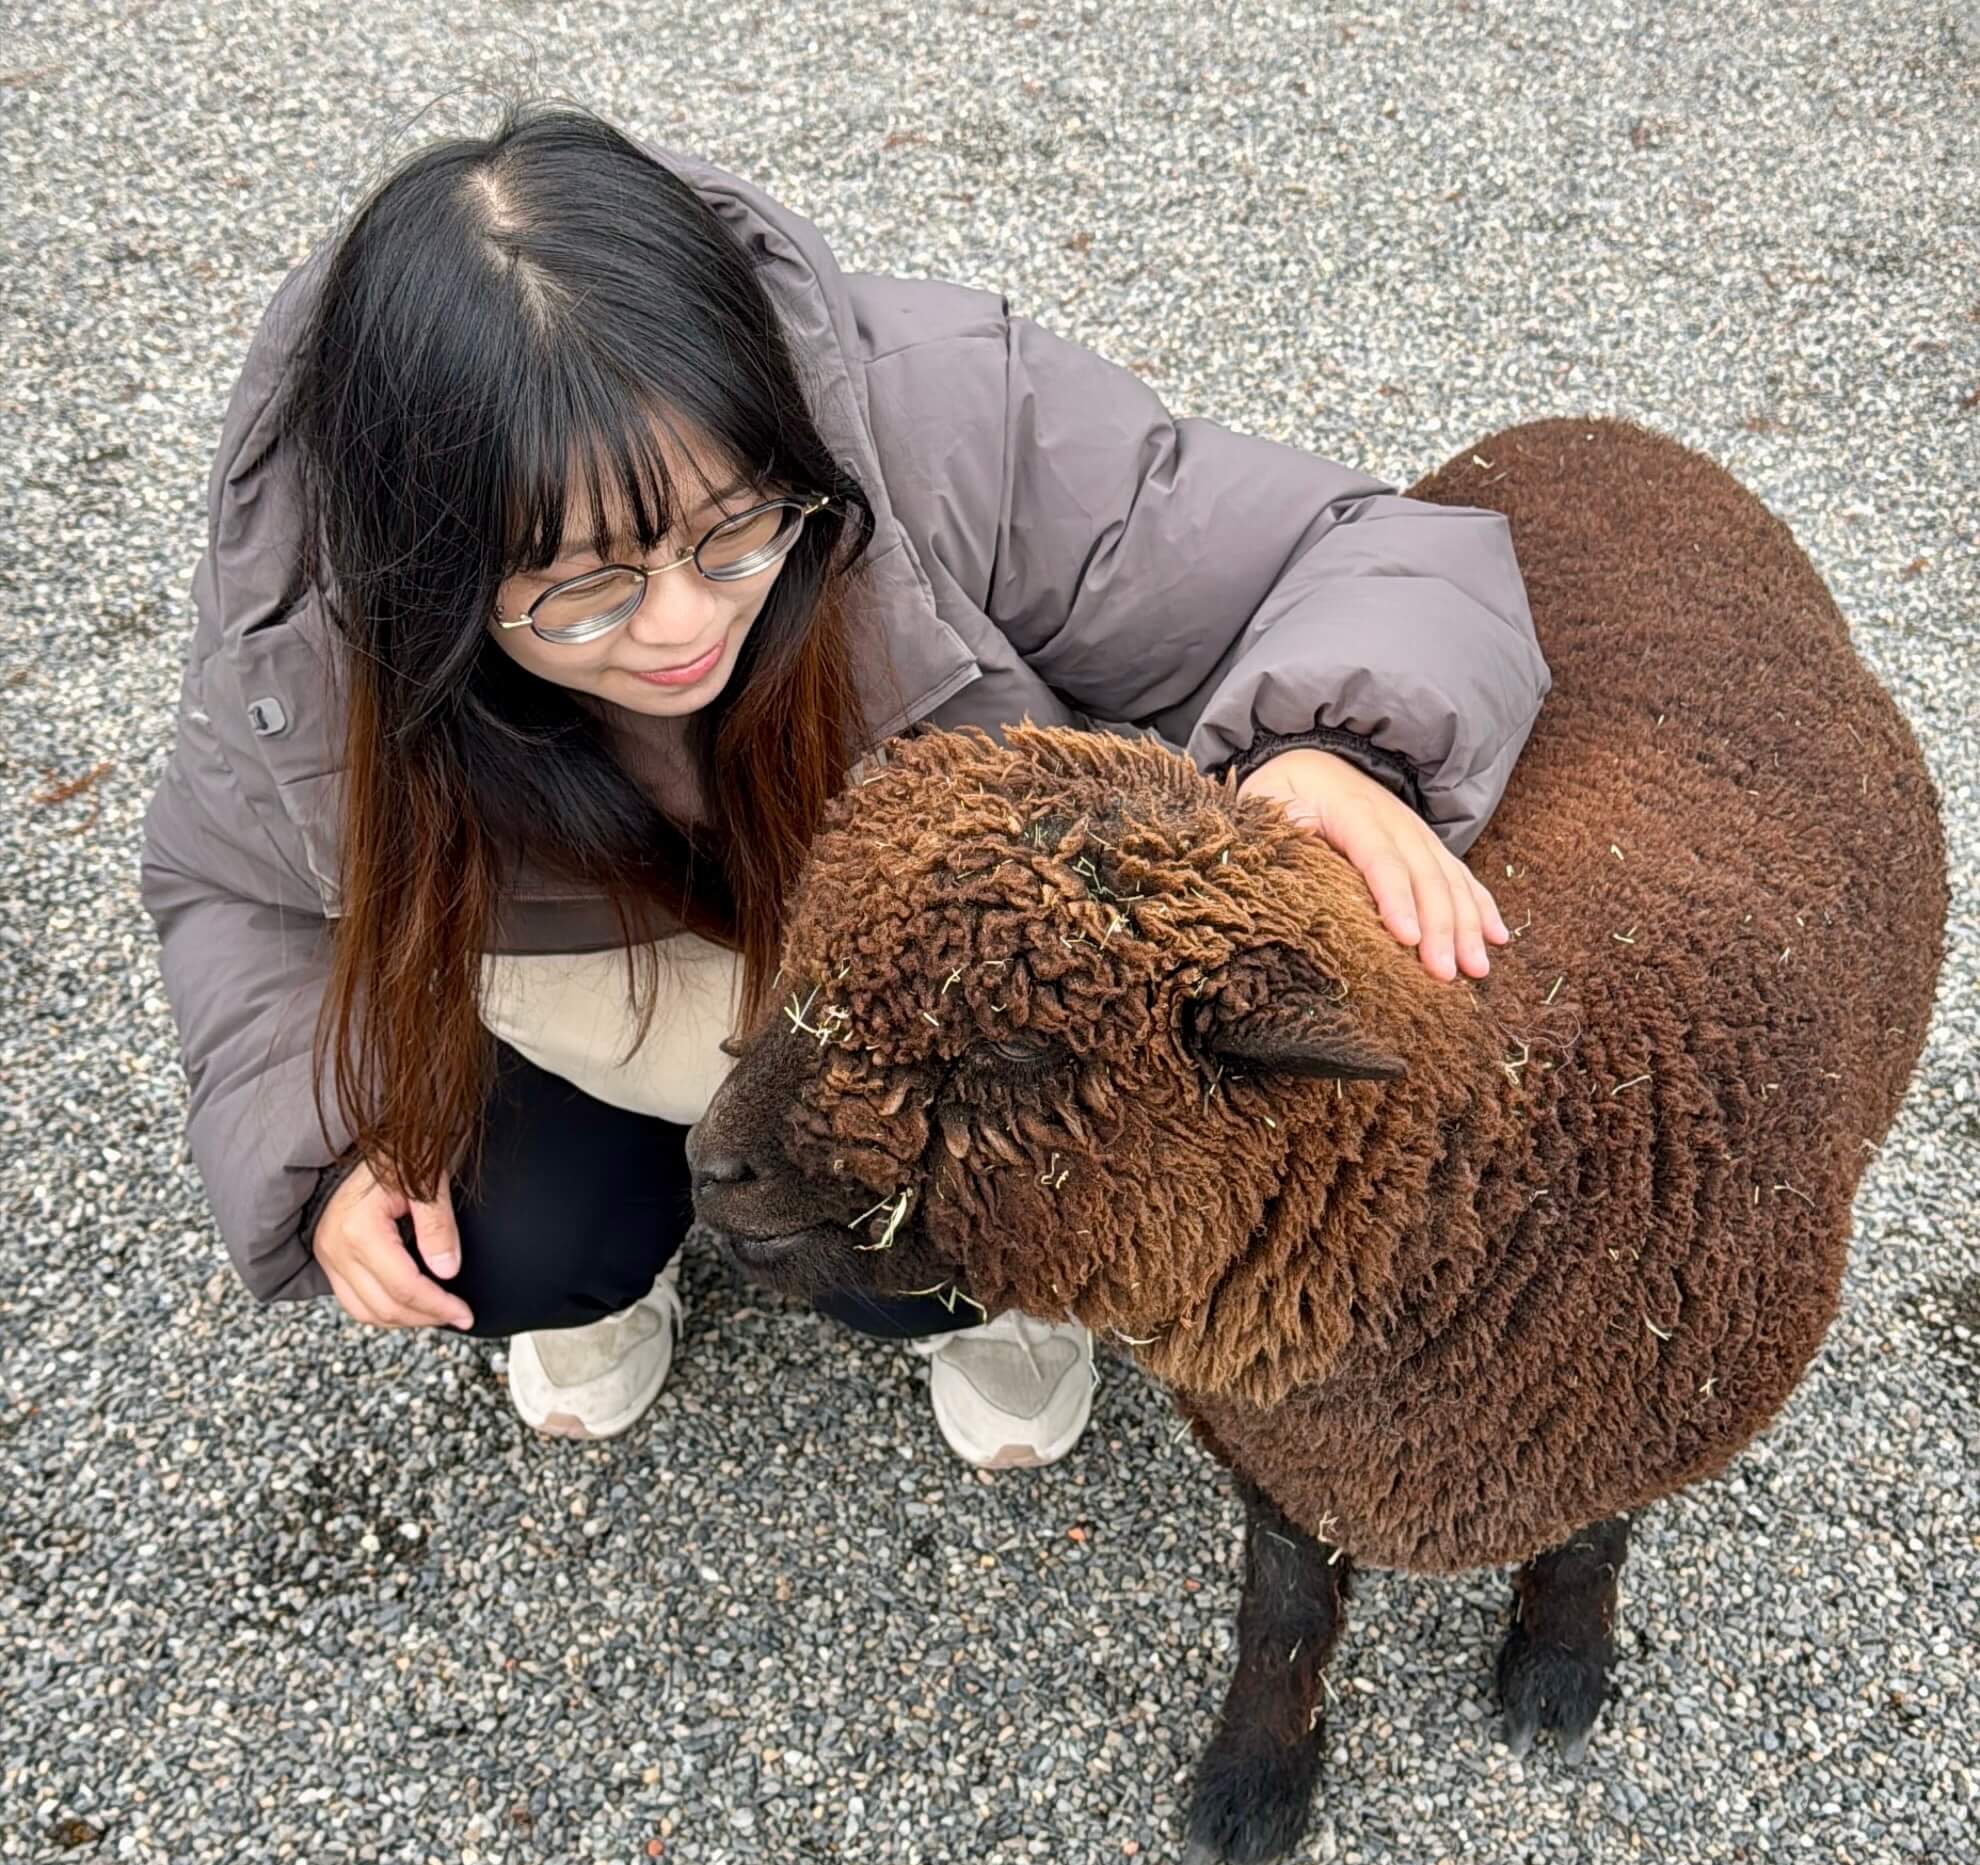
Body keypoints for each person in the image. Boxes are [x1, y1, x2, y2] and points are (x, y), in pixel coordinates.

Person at [139, 101, 1548, 1466]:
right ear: (427, 582)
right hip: (578, 996)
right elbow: (232, 885)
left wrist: (1331, 748)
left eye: (737, 529)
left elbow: (1367, 546)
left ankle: (963, 1302)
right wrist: (322, 1147)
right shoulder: (313, 636)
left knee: (957, 1210)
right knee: (513, 1250)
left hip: (916, 991)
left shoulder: (936, 417)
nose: (684, 626)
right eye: (582, 592)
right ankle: (618, 1272)